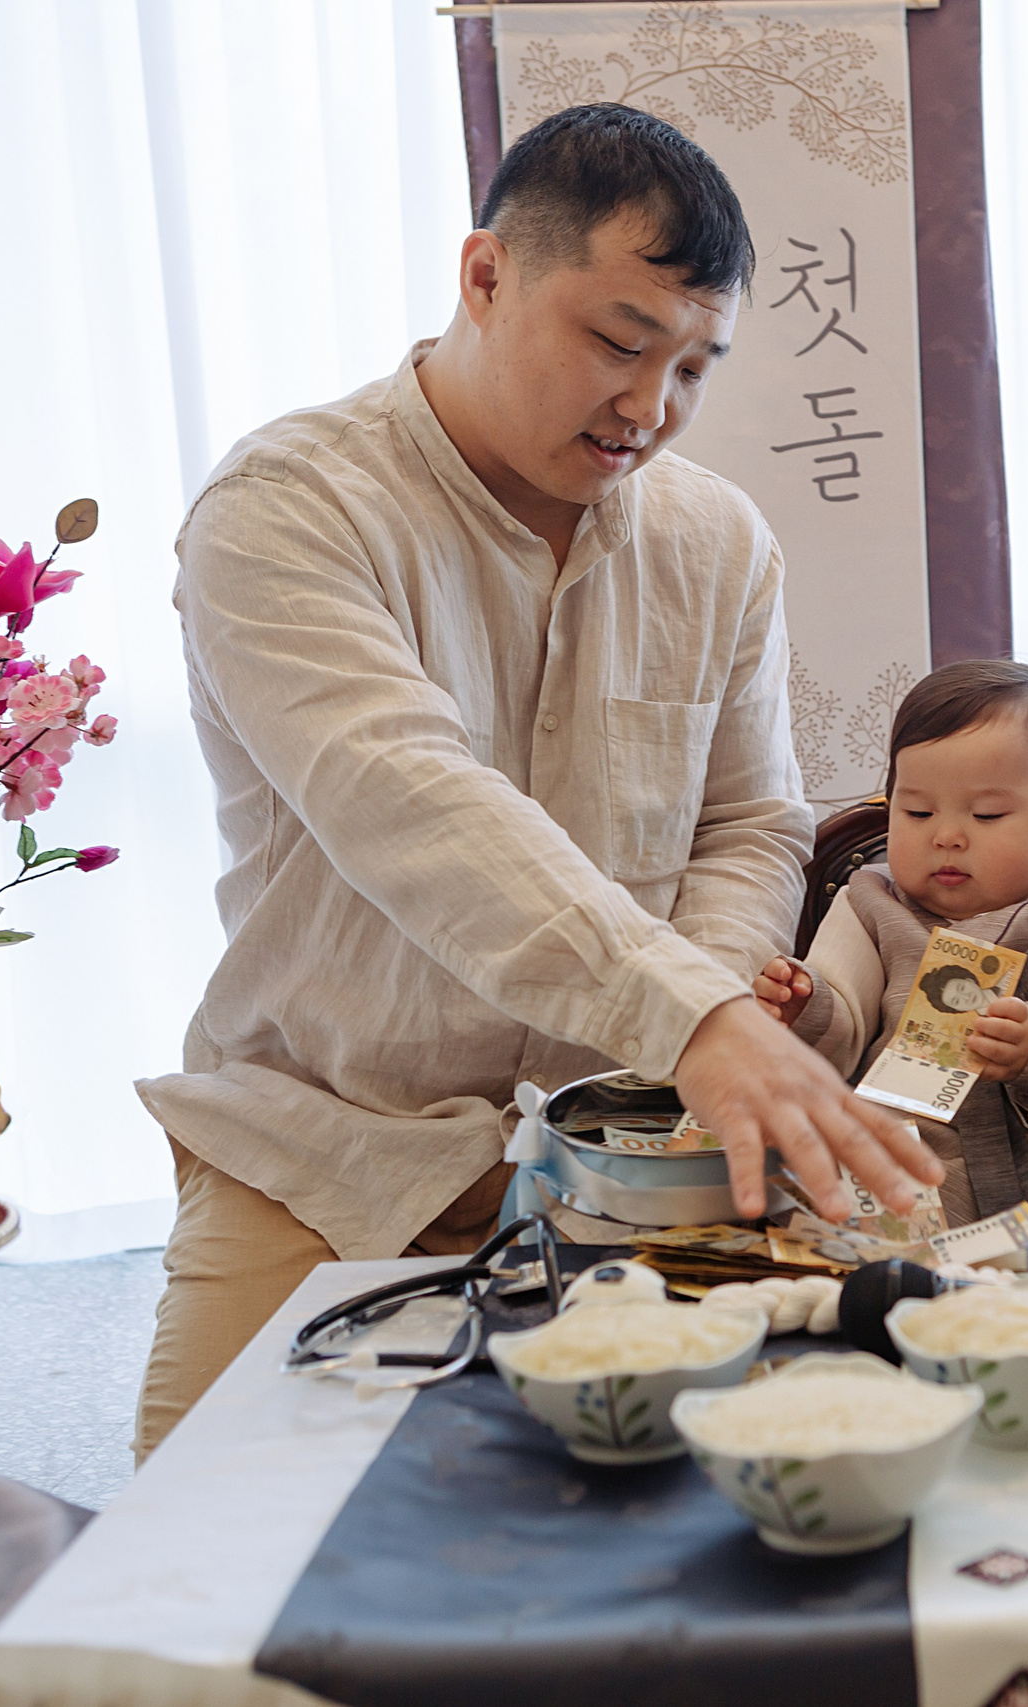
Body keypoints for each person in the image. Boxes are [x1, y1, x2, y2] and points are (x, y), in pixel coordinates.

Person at [133, 105, 940, 1457]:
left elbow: (750, 819)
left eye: (695, 366)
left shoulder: (717, 539)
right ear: (486, 275)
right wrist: (695, 1017)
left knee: (694, 1545)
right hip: (325, 1147)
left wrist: (721, 995)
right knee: (195, 1580)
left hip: (626, 1153)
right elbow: (412, 800)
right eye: (620, 341)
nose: (650, 406)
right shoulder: (288, 508)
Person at [755, 660, 1028, 1225]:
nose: (946, 836)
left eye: (987, 814)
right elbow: (842, 1014)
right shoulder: (869, 906)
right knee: (833, 1198)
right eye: (917, 811)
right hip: (912, 1135)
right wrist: (805, 1005)